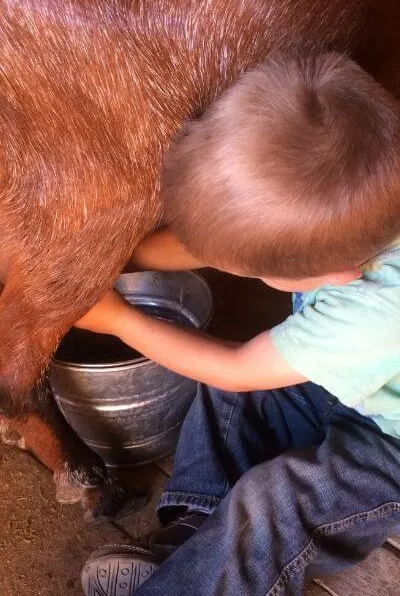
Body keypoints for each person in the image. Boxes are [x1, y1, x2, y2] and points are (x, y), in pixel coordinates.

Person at [80, 52, 400, 596]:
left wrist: (117, 318)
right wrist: (123, 259)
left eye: (251, 271)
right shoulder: (362, 190)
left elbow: (234, 368)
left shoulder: (373, 312)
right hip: (364, 387)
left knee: (277, 499)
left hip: (388, 449)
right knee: (233, 404)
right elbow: (221, 245)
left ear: (333, 274)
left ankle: (185, 582)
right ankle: (196, 536)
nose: (238, 271)